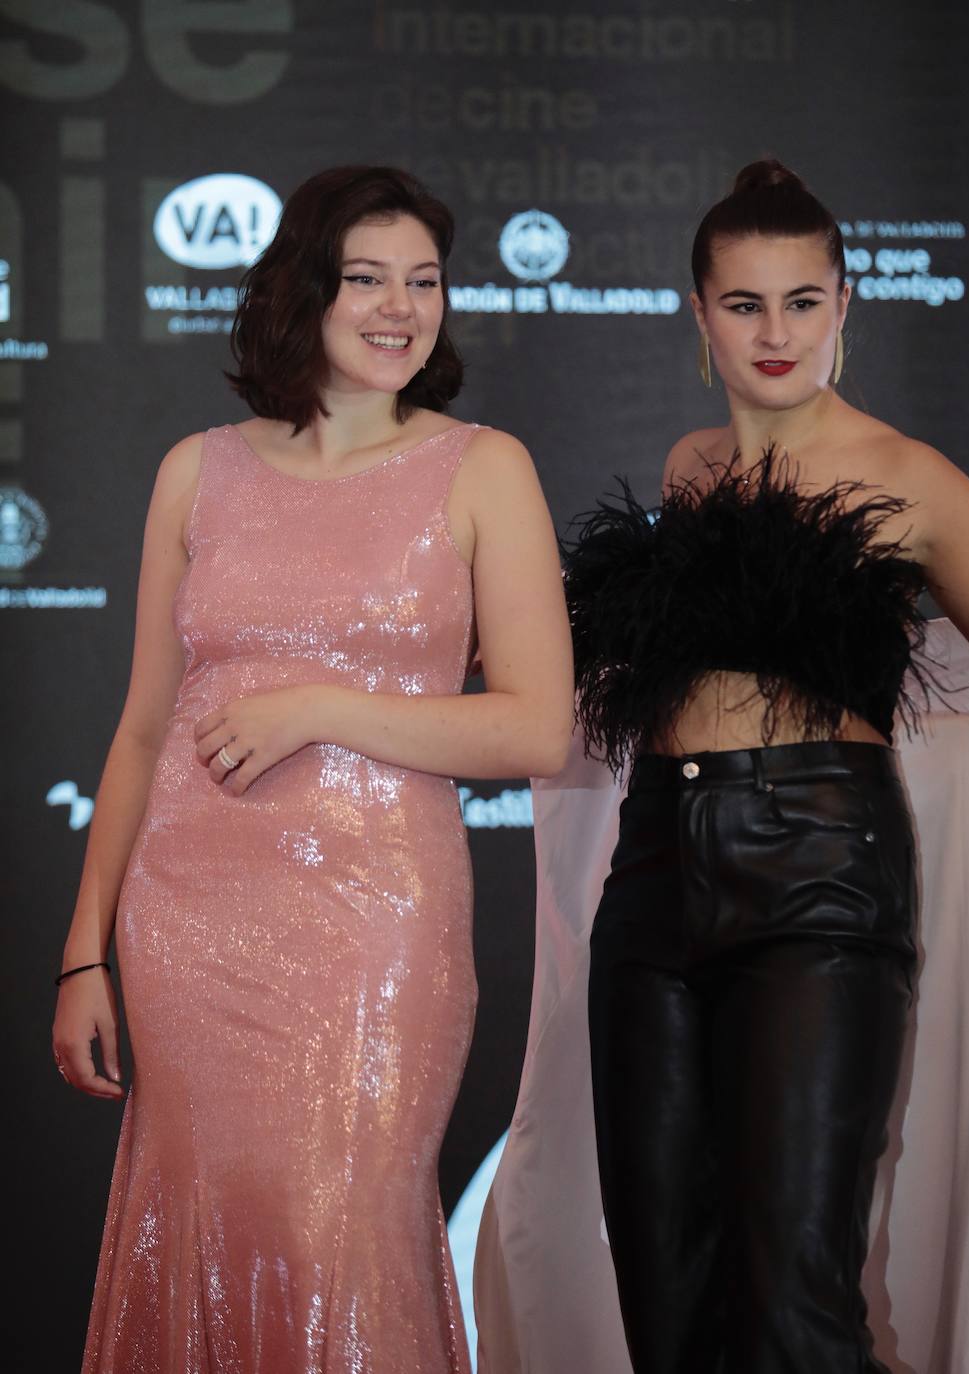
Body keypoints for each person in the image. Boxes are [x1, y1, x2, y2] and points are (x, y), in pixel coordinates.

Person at [474, 161, 969, 1374]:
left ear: (846, 306)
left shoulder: (913, 475)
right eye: (743, 304)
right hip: (655, 876)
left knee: (797, 1305)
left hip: (822, 881)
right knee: (668, 1303)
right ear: (699, 316)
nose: (774, 334)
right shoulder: (689, 469)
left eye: (801, 302)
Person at [51, 165, 573, 1374]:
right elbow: (141, 730)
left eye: (426, 281)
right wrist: (87, 950)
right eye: (367, 278)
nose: (401, 307)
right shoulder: (199, 470)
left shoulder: (483, 467)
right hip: (187, 926)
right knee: (203, 1223)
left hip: (375, 931)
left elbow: (537, 727)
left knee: (342, 1228)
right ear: (304, 293)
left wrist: (322, 709)